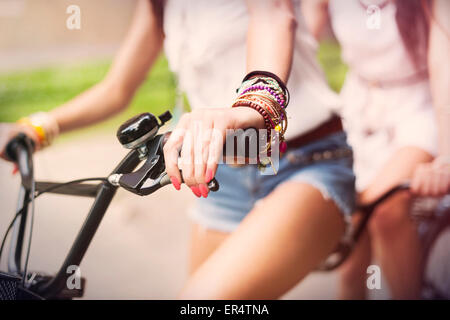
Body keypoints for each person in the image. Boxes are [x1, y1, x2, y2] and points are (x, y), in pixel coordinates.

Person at [1, 0, 357, 299]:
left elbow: (274, 17)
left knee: (200, 302)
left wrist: (254, 105)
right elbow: (118, 87)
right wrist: (37, 127)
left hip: (303, 161)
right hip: (223, 177)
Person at [303, 0, 450, 299]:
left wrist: (446, 155)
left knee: (382, 209)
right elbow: (299, 46)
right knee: (349, 224)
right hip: (359, 102)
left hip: (422, 106)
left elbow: (444, 63)